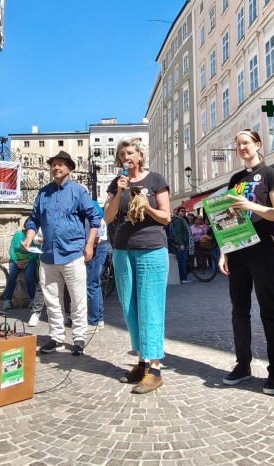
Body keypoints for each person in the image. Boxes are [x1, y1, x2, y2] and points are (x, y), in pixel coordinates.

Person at [219, 129, 274, 396]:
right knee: (239, 311)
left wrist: (252, 206)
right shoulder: (235, 179)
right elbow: (226, 218)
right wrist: (224, 251)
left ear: (257, 145)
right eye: (238, 144)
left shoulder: (270, 175)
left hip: (262, 249)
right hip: (237, 249)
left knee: (269, 309)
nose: (242, 148)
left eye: (246, 143)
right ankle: (243, 364)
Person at [103, 137, 171, 393]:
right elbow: (107, 217)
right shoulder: (116, 183)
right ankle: (142, 363)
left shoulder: (155, 180)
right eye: (122, 154)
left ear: (140, 155)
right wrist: (120, 192)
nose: (126, 157)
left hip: (151, 249)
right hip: (123, 251)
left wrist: (147, 208)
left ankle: (155, 369)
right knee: (130, 308)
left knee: (150, 307)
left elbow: (166, 217)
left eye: (130, 153)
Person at [23, 151, 100, 356]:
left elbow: (94, 219)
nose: (56, 167)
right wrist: (29, 238)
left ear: (69, 168)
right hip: (48, 255)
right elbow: (34, 220)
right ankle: (56, 337)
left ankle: (79, 337)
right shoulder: (43, 193)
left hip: (73, 253)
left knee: (77, 298)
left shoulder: (78, 192)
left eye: (61, 164)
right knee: (52, 299)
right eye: (54, 164)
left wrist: (89, 245)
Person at [0, 218, 38, 311]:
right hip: (16, 260)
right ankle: (7, 300)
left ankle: (32, 299)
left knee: (29, 275)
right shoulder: (18, 234)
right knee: (12, 276)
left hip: (29, 260)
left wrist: (27, 260)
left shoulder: (36, 236)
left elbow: (37, 252)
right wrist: (16, 261)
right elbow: (12, 249)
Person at [86, 200, 109, 328]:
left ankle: (93, 320)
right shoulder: (92, 204)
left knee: (92, 284)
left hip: (97, 246)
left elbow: (97, 235)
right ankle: (99, 318)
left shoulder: (90, 205)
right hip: (100, 245)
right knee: (95, 283)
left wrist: (90, 247)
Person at [170, 207, 192, 284]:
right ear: (178, 212)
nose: (184, 212)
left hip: (185, 242)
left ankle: (183, 277)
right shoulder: (178, 220)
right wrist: (181, 244)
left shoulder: (183, 220)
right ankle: (183, 278)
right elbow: (178, 233)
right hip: (182, 243)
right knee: (182, 261)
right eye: (182, 211)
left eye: (185, 211)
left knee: (183, 260)